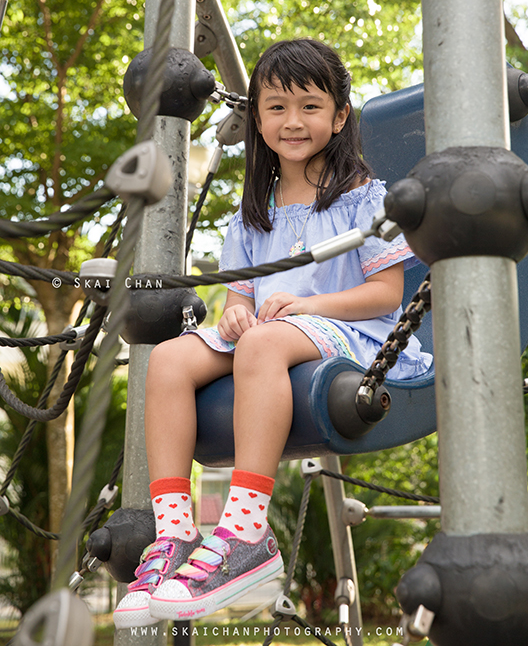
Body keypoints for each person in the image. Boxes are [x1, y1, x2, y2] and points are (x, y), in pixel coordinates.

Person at [114, 39, 432, 629]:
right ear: (257, 119)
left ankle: (245, 530)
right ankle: (176, 534)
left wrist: (308, 305)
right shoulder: (253, 211)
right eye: (277, 107)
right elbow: (241, 300)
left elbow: (387, 296)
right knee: (171, 359)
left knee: (261, 342)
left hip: (355, 334)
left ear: (339, 118)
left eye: (310, 107)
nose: (293, 121)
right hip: (273, 332)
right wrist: (235, 314)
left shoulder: (363, 199)